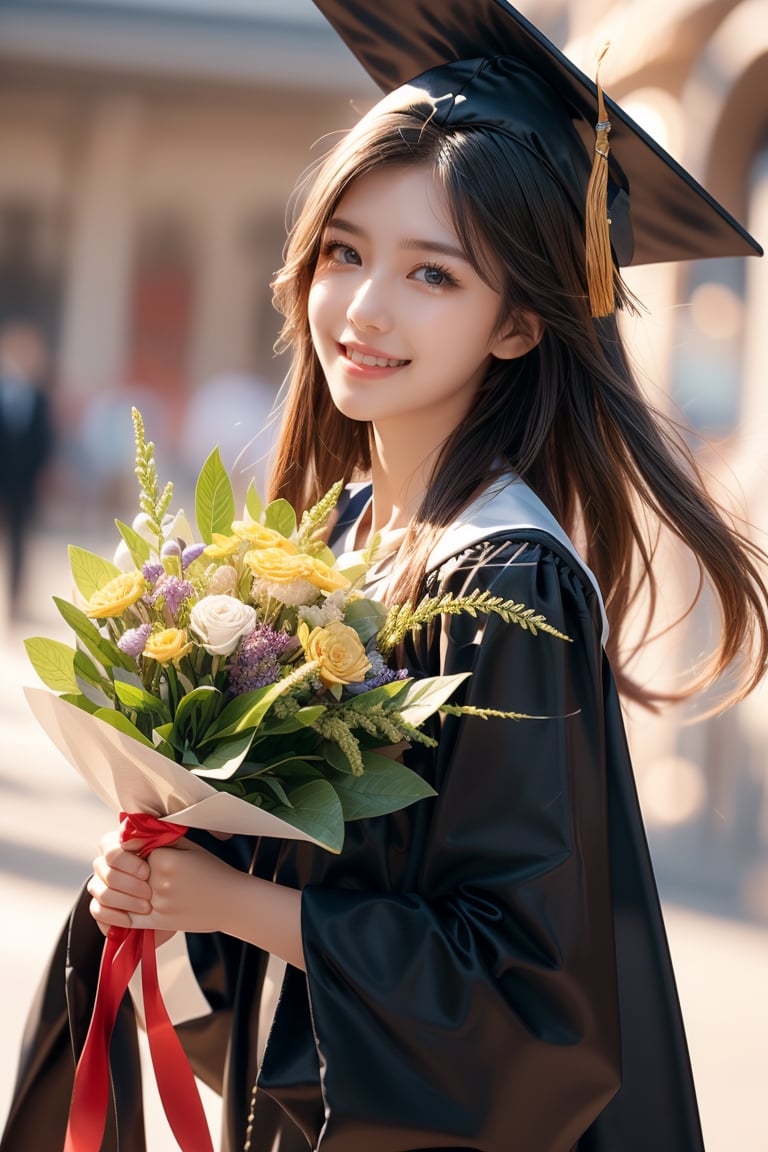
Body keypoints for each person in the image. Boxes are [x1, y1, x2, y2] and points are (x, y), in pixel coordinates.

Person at [3, 2, 768, 1150]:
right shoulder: (335, 549)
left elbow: (523, 992)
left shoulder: (507, 589)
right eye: (346, 252)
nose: (363, 308)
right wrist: (168, 879)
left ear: (518, 325)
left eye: (433, 276)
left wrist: (235, 904)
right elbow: (293, 945)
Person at [0, 318, 55, 619]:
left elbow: (45, 441)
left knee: (20, 544)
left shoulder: (39, 398)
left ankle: (15, 601)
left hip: (23, 484)